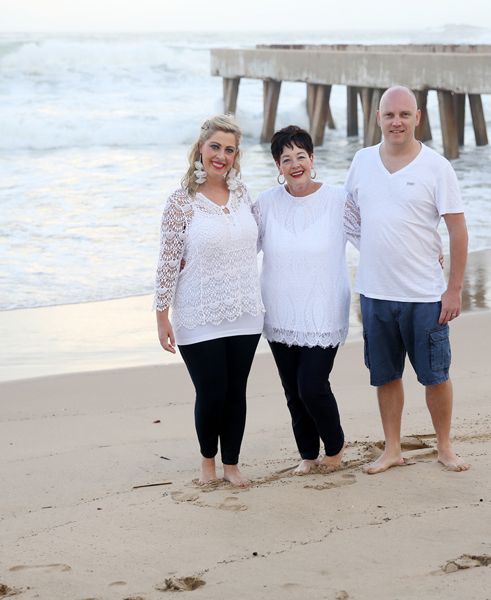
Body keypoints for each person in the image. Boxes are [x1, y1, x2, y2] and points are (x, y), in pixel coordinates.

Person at [343, 86, 470, 475]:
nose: (395, 122)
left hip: (425, 294)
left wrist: (454, 289)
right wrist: (377, 248)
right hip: (374, 292)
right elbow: (348, 216)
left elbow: (458, 231)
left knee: (435, 375)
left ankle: (444, 447)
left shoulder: (437, 167)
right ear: (378, 119)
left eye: (403, 114)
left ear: (417, 118)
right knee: (385, 376)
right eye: (388, 115)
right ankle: (393, 449)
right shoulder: (362, 161)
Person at [153, 115, 264, 487]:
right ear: (200, 148)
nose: (221, 156)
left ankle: (231, 466)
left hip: (245, 309)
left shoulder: (243, 194)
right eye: (215, 146)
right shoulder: (180, 202)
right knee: (212, 392)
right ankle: (207, 466)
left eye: (229, 150)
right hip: (198, 311)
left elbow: (257, 240)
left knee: (236, 393)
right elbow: (168, 262)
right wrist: (162, 317)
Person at [254, 125, 360, 475]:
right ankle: (307, 454)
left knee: (311, 386)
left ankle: (335, 445)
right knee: (292, 390)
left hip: (323, 309)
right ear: (278, 166)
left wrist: (423, 253)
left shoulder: (338, 200)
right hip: (278, 310)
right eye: (286, 159)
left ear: (312, 159)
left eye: (301, 156)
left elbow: (372, 240)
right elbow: (240, 248)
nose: (295, 164)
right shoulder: (265, 203)